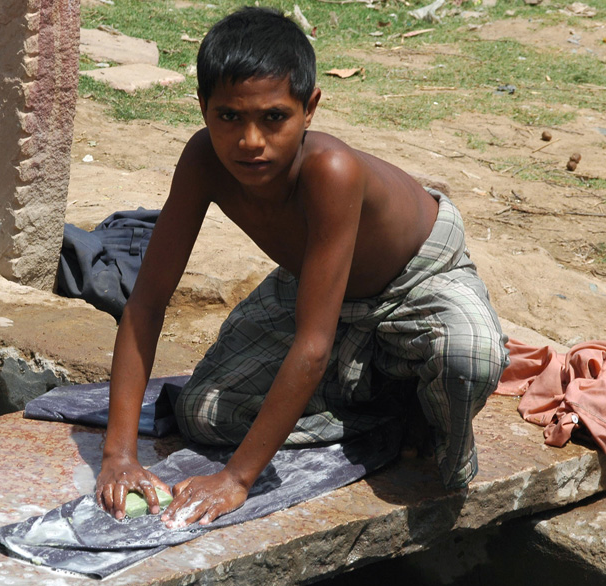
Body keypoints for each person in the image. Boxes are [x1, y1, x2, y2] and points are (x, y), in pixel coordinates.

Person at [95, 6, 508, 528]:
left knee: (467, 359)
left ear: (309, 108)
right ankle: (384, 401)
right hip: (315, 283)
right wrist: (119, 457)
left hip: (418, 277)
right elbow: (147, 303)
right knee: (201, 411)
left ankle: (407, 404)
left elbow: (311, 346)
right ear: (202, 107)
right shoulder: (202, 161)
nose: (250, 141)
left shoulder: (330, 171)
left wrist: (237, 479)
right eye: (229, 117)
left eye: (273, 118)